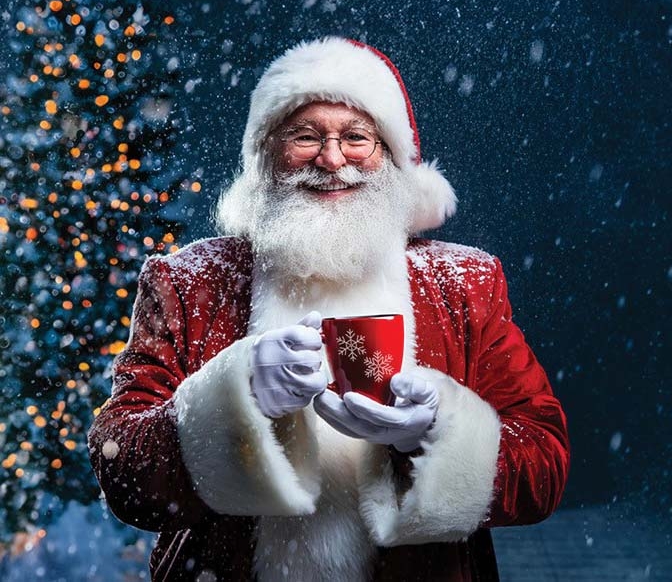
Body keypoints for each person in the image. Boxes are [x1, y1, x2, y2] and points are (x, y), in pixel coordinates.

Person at [88, 36, 570, 581]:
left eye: (357, 137)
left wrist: (438, 435)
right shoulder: (189, 282)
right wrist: (232, 401)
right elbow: (120, 466)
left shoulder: (464, 284)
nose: (332, 158)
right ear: (265, 152)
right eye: (305, 135)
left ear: (392, 157)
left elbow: (544, 463)